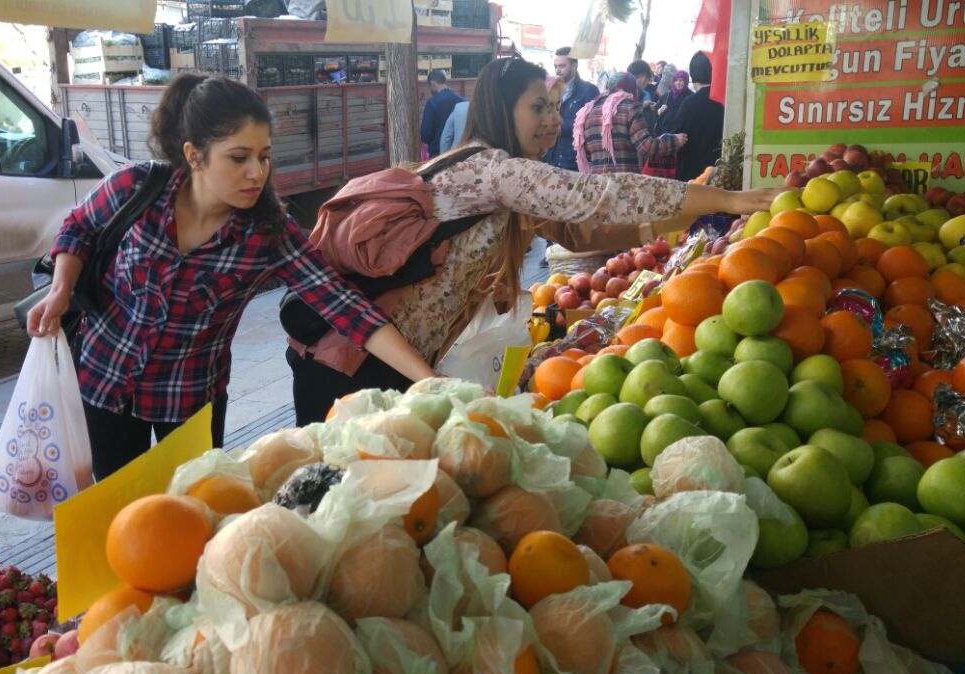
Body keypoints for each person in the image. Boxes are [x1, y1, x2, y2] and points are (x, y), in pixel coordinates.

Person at [289, 58, 780, 422]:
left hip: (396, 359)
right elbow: (601, 196)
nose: (552, 120)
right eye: (537, 107)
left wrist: (677, 218)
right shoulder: (493, 172)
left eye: (553, 107)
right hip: (350, 357)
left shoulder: (500, 176)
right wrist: (724, 200)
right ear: (502, 109)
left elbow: (578, 229)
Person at [28, 74, 435, 480]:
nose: (257, 173)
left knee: (192, 516)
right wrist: (61, 290)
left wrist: (430, 382)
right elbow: (79, 227)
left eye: (265, 156)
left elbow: (346, 308)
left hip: (188, 404)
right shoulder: (135, 188)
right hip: (104, 382)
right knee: (113, 512)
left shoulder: (268, 233)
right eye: (239, 158)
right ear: (195, 155)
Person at [575, 72, 686, 175]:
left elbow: (587, 153)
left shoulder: (587, 111)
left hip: (596, 183)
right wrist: (674, 140)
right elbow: (646, 147)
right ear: (631, 87)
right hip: (623, 183)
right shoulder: (631, 107)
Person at [543, 47, 600, 172]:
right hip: (551, 158)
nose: (558, 70)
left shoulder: (589, 90)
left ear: (574, 66)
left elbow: (591, 124)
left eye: (562, 66)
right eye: (555, 66)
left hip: (574, 161)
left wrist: (560, 128)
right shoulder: (551, 89)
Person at [672, 51, 726, 181]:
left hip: (691, 176)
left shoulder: (689, 103)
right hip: (720, 176)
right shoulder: (725, 101)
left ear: (692, 74)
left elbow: (678, 138)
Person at [645, 70, 693, 179]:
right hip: (663, 135)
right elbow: (656, 112)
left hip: (679, 137)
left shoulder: (690, 97)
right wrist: (659, 112)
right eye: (676, 80)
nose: (678, 83)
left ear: (686, 81)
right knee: (661, 166)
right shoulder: (667, 95)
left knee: (675, 168)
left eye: (681, 80)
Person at [420, 69, 465, 157]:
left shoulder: (432, 103)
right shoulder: (461, 101)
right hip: (460, 153)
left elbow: (425, 134)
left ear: (433, 84)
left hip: (438, 155)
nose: (430, 91)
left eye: (429, 88)